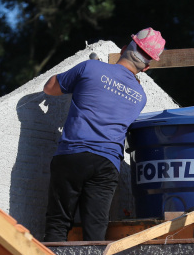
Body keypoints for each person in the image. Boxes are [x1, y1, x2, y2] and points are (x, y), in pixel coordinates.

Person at [42, 28, 165, 241]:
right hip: (106, 164)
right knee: (95, 232)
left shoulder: (91, 67)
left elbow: (49, 88)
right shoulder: (140, 96)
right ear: (146, 68)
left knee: (58, 223)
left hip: (72, 154)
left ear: (124, 49)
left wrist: (88, 73)